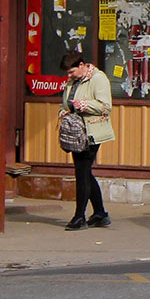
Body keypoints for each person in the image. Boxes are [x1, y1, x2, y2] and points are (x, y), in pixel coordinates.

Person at [59, 50, 114, 230]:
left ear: (81, 66)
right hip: (76, 132)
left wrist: (84, 104)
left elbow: (106, 107)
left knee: (81, 172)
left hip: (92, 132)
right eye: (67, 73)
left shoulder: (98, 79)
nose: (69, 76)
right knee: (84, 172)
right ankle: (100, 213)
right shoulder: (72, 81)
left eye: (71, 72)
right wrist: (64, 111)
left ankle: (79, 216)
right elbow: (65, 103)